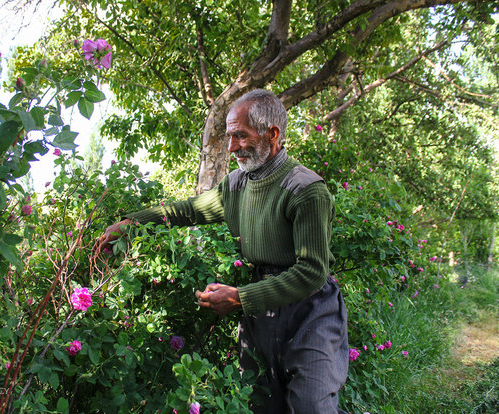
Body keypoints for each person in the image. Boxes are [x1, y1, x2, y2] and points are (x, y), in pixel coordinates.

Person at [94, 89, 348, 413]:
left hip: (311, 311)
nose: (231, 148)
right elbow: (188, 210)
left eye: (240, 136)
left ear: (272, 134)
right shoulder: (237, 184)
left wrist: (239, 298)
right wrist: (131, 222)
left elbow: (312, 273)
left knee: (312, 406)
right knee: (261, 406)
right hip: (261, 313)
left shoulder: (305, 189)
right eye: (229, 136)